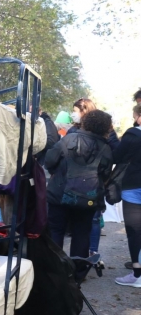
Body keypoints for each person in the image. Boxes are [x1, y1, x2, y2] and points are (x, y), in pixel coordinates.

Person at [45, 110, 114, 259]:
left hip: (59, 194)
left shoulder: (68, 139)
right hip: (87, 198)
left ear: (86, 122)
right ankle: (77, 273)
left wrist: (57, 173)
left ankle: (54, 271)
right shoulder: (106, 148)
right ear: (105, 127)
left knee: (56, 232)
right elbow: (106, 174)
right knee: (82, 234)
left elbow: (49, 161)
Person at [114, 105, 141, 287]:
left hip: (133, 186)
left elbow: (117, 156)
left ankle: (137, 274)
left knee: (135, 231)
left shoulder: (132, 135)